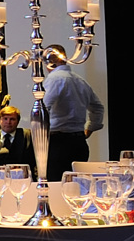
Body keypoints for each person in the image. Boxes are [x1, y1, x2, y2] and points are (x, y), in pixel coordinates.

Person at [43, 45, 104, 179]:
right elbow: (98, 107)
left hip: (58, 143)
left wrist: (40, 135)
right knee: (77, 185)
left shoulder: (54, 79)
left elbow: (43, 108)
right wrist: (89, 129)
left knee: (56, 184)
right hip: (78, 142)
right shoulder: (80, 80)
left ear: (50, 61)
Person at [0, 104, 35, 176]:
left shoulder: (27, 135)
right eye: (5, 119)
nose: (8, 122)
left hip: (20, 178)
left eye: (12, 119)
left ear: (18, 121)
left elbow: (33, 163)